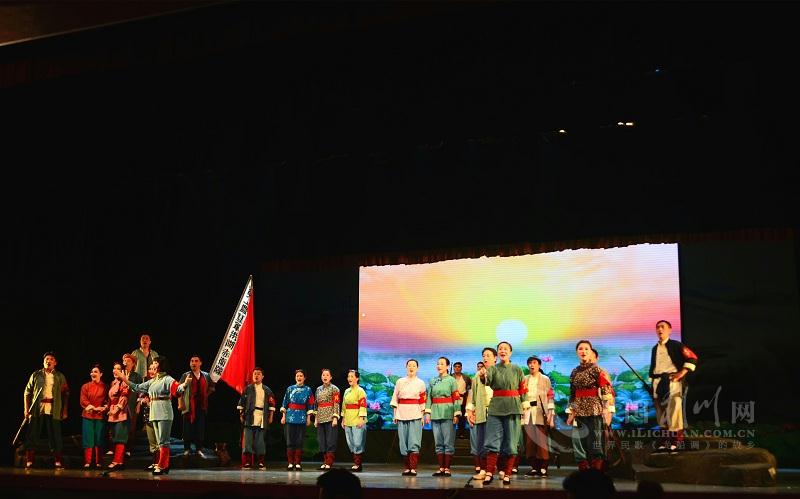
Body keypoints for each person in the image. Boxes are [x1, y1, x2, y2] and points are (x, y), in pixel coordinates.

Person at [124, 356, 191, 475]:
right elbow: (137, 387)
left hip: (164, 412)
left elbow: (177, 390)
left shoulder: (167, 379)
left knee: (163, 441)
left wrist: (184, 384)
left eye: (155, 363)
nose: (153, 364)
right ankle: (164, 465)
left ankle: (162, 464)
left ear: (161, 365)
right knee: (159, 442)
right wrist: (124, 378)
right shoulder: (153, 380)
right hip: (154, 412)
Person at [479, 341, 526, 485]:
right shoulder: (493, 368)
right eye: (500, 349)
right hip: (496, 407)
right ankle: (489, 472)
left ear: (510, 352)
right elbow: (487, 381)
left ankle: (508, 473)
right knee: (492, 440)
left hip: (513, 407)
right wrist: (483, 375)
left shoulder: (517, 369)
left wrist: (524, 407)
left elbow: (523, 389)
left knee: (511, 442)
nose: (502, 351)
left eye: (505, 349)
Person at [649, 320, 698, 452]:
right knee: (661, 413)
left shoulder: (676, 345)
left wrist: (682, 373)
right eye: (657, 327)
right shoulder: (654, 348)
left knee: (674, 412)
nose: (660, 329)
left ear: (670, 330)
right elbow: (654, 369)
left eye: (662, 327)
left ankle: (676, 441)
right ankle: (665, 441)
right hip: (658, 382)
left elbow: (692, 358)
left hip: (672, 382)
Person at [567, 340, 613, 471]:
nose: (583, 351)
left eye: (586, 349)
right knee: (579, 441)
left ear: (591, 351)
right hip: (578, 409)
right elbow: (572, 393)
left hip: (594, 409)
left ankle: (596, 470)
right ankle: (583, 468)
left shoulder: (597, 369)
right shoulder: (574, 371)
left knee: (595, 440)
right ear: (577, 352)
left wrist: (606, 409)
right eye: (580, 349)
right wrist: (571, 413)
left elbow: (606, 390)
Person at [22, 352, 70, 469]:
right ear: (43, 361)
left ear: (55, 362)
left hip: (54, 408)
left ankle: (57, 461)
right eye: (47, 359)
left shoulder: (59, 376)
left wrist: (64, 410)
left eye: (51, 359)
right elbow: (27, 392)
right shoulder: (36, 375)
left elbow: (66, 393)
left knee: (55, 435)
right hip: (37, 408)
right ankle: (29, 461)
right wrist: (26, 409)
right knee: (32, 434)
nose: (49, 361)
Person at [390, 358, 426, 476]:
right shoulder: (400, 381)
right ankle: (406, 467)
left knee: (414, 440)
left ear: (417, 368)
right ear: (406, 367)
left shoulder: (421, 383)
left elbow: (422, 401)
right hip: (401, 413)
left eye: (414, 365)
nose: (411, 367)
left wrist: (422, 416)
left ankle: (413, 467)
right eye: (409, 365)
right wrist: (395, 414)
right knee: (403, 441)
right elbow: (395, 398)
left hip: (415, 413)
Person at [425, 357, 461, 477]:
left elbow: (456, 398)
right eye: (438, 364)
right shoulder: (432, 380)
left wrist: (456, 413)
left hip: (448, 412)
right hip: (435, 413)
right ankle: (441, 468)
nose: (439, 366)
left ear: (447, 366)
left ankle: (447, 468)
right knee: (438, 442)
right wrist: (427, 413)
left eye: (441, 364)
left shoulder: (451, 380)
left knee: (448, 442)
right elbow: (429, 397)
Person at [522, 356, 555, 478]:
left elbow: (550, 396)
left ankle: (543, 467)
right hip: (528, 412)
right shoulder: (525, 379)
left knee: (541, 441)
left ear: (539, 365)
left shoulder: (545, 379)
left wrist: (551, 414)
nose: (532, 365)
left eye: (534, 363)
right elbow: (521, 395)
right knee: (530, 442)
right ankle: (534, 467)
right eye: (530, 363)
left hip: (541, 412)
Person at [238, 367, 276, 469]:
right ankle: (247, 462)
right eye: (255, 373)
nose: (256, 375)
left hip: (262, 416)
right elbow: (241, 403)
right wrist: (241, 415)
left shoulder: (267, 390)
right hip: (249, 416)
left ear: (262, 376)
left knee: (260, 442)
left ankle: (261, 462)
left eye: (258, 374)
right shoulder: (248, 388)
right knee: (248, 441)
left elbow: (272, 404)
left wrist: (271, 417)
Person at [178, 355, 216, 458]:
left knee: (200, 428)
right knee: (187, 428)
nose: (193, 363)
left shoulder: (206, 375)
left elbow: (212, 387)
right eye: (192, 361)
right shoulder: (185, 375)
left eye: (196, 361)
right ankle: (186, 449)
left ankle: (199, 449)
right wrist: (180, 403)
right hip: (189, 405)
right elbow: (179, 390)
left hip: (201, 406)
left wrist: (206, 395)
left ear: (200, 363)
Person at [466, 350, 495, 480]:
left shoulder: (499, 373)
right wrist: (470, 412)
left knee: (496, 442)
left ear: (495, 358)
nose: (485, 358)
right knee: (481, 442)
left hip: (496, 412)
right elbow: (473, 397)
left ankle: (497, 469)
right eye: (483, 356)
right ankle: (483, 469)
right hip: (482, 412)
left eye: (488, 355)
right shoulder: (477, 377)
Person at [280, 369, 315, 471]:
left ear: (304, 378)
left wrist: (308, 418)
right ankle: (290, 463)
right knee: (290, 441)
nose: (299, 378)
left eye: (301, 376)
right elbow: (285, 403)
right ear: (295, 378)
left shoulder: (308, 390)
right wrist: (283, 416)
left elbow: (310, 404)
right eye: (297, 376)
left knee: (299, 441)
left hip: (302, 417)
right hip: (290, 416)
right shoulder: (290, 389)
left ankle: (298, 463)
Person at [80, 364, 109, 468]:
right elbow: (83, 400)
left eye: (96, 372)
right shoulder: (85, 386)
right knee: (88, 438)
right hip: (88, 416)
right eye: (92, 372)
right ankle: (87, 462)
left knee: (99, 438)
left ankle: (98, 462)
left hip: (100, 416)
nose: (93, 373)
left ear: (101, 374)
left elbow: (108, 400)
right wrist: (93, 407)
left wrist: (105, 407)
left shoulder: (105, 387)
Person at [314, 368, 341, 470]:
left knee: (330, 441)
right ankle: (325, 461)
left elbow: (336, 403)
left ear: (331, 377)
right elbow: (316, 405)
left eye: (327, 375)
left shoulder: (335, 389)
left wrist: (335, 417)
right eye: (323, 375)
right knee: (322, 441)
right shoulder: (318, 389)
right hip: (320, 417)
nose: (325, 377)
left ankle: (329, 462)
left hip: (330, 417)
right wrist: (316, 418)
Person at [341, 369, 367, 472]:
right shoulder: (346, 391)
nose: (349, 378)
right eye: (348, 376)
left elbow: (363, 405)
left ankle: (358, 464)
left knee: (357, 442)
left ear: (357, 378)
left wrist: (361, 418)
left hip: (357, 418)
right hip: (348, 418)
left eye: (352, 376)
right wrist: (343, 418)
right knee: (350, 442)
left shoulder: (360, 391)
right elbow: (344, 405)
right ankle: (355, 462)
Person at [107, 361, 130, 470]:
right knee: (115, 437)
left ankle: (116, 461)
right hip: (113, 413)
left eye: (118, 369)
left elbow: (124, 397)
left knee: (120, 437)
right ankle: (120, 462)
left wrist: (116, 409)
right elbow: (110, 399)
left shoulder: (124, 382)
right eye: (114, 368)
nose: (115, 371)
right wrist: (107, 408)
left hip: (121, 413)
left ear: (122, 371)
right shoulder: (113, 383)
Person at [139, 362, 160, 470]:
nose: (151, 371)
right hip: (148, 415)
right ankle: (154, 462)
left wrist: (151, 402)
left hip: (158, 415)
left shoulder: (161, 383)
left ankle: (159, 463)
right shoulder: (147, 383)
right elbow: (140, 396)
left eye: (154, 369)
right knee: (152, 442)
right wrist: (142, 400)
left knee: (158, 441)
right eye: (150, 369)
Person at [122, 353, 142, 455]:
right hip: (121, 406)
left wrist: (138, 405)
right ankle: (119, 449)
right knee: (120, 427)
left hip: (132, 404)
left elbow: (140, 391)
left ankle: (128, 449)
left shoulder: (137, 376)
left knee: (131, 427)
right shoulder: (120, 374)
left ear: (133, 363)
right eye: (125, 360)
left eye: (128, 361)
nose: (126, 362)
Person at [451, 361, 471, 438]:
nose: (457, 368)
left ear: (461, 368)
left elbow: (469, 388)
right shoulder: (450, 377)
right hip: (452, 400)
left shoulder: (466, 378)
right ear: (453, 368)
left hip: (462, 400)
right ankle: (452, 433)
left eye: (459, 367)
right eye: (455, 367)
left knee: (462, 417)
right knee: (452, 416)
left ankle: (461, 433)